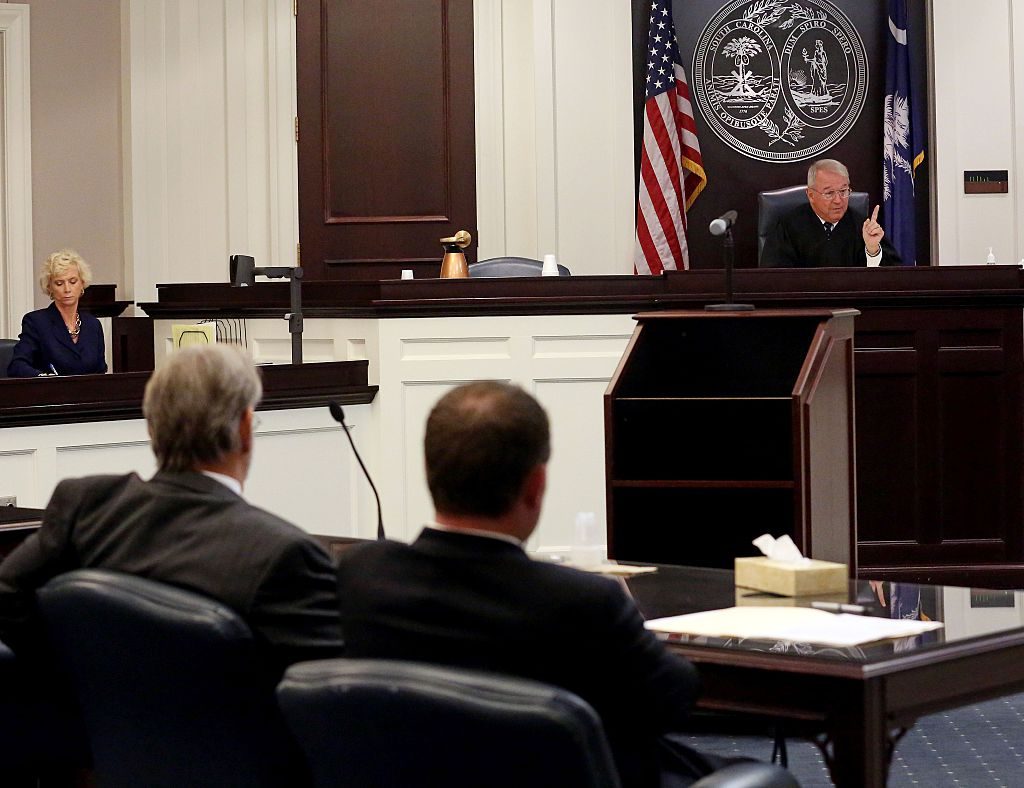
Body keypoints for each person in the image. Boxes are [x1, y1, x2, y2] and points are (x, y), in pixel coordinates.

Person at [335, 381, 745, 787]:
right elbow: (671, 700)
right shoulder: (582, 602)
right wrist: (633, 624)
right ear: (536, 485)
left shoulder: (358, 575)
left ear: (428, 471)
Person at [0, 344, 343, 673]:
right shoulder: (286, 556)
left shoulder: (87, 507)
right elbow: (324, 703)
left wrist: (82, 685)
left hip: (104, 732)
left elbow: (6, 596)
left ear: (151, 429)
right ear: (244, 429)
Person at [761, 159, 903, 268]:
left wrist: (873, 251)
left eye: (843, 191)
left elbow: (891, 278)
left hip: (853, 305)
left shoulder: (863, 226)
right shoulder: (788, 226)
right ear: (811, 195)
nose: (838, 200)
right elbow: (774, 278)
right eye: (829, 193)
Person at [6, 249, 108, 377]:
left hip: (88, 395)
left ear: (82, 284)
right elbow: (17, 365)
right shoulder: (36, 322)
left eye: (72, 282)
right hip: (49, 394)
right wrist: (42, 377)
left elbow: (101, 371)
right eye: (59, 283)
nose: (67, 289)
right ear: (50, 288)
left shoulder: (93, 325)